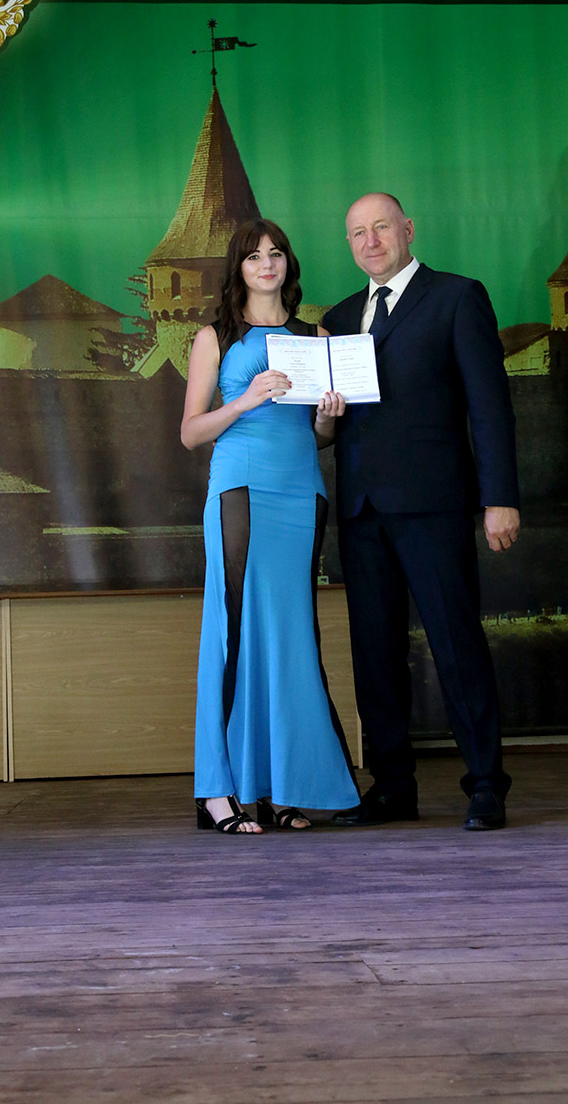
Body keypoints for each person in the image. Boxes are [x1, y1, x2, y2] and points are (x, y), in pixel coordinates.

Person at [322, 192, 520, 831]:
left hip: (434, 505)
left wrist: (499, 498)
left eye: (381, 227)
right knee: (375, 654)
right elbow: (331, 423)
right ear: (349, 245)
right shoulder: (338, 317)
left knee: (456, 644)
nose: (371, 240)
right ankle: (392, 787)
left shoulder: (458, 297)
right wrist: (324, 416)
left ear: (407, 229)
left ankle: (485, 785)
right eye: (358, 233)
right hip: (361, 509)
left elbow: (489, 406)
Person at [181, 218, 360, 834]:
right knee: (233, 630)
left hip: (300, 492)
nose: (266, 264)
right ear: (239, 268)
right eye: (254, 256)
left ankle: (283, 787)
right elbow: (191, 432)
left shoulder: (317, 337)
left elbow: (320, 434)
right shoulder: (214, 337)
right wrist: (244, 400)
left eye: (276, 253)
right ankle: (218, 792)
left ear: (288, 264)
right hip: (241, 489)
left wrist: (329, 417)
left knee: (289, 636)